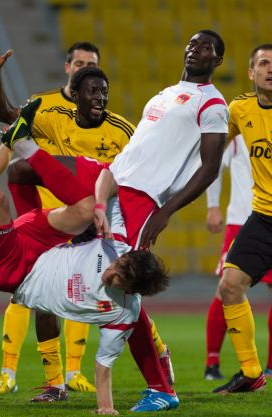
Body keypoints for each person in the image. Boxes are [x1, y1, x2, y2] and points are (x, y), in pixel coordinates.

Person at [0, 67, 175, 414]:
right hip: (46, 242)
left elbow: (104, 368)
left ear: (129, 289)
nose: (111, 272)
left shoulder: (124, 313)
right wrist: (100, 206)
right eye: (117, 266)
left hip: (13, 270)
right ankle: (25, 145)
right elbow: (112, 186)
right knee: (82, 210)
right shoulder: (118, 248)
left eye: (119, 278)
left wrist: (106, 410)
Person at [89, 28, 226, 399]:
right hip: (114, 183)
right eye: (193, 42)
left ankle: (160, 386)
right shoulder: (164, 95)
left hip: (143, 198)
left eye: (207, 46)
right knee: (106, 284)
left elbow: (211, 167)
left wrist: (165, 212)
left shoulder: (213, 104)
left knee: (121, 288)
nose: (196, 48)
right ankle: (158, 357)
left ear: (218, 60)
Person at [0, 41, 114, 397]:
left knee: (97, 298)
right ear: (68, 68)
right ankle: (50, 380)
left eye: (93, 66)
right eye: (80, 64)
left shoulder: (119, 128)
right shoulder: (47, 107)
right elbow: (6, 118)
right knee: (39, 301)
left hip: (90, 221)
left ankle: (78, 371)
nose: (86, 70)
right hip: (52, 221)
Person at [211, 43, 272, 394]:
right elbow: (214, 151)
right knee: (229, 286)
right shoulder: (240, 109)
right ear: (251, 73)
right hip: (263, 218)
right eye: (263, 63)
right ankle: (252, 373)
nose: (269, 68)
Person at [204, 135, 272, 380]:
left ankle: (270, 366)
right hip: (242, 221)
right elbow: (214, 165)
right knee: (226, 288)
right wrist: (213, 205)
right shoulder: (242, 122)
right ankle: (212, 361)